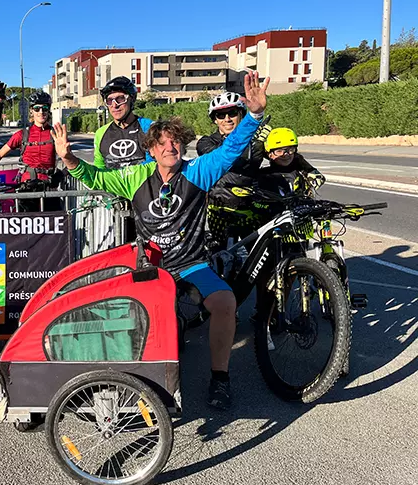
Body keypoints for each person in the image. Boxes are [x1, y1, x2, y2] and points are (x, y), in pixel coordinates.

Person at [52, 72, 270, 410]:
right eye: (163, 144)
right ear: (151, 150)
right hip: (151, 266)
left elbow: (230, 150)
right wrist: (67, 159)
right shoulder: (136, 176)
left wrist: (253, 115)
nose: (171, 148)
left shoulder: (197, 171)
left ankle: (220, 378)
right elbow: (95, 176)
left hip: (192, 263)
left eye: (176, 142)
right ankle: (136, 382)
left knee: (225, 303)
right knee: (134, 313)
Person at [197, 91, 270, 249]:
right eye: (221, 115)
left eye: (232, 113)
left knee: (261, 259)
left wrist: (306, 170)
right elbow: (225, 158)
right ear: (215, 120)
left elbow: (283, 158)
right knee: (220, 259)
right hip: (220, 210)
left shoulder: (257, 139)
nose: (227, 119)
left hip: (251, 209)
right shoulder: (206, 142)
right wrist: (250, 143)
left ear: (241, 114)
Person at [0, 91, 62, 211]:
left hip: (49, 188)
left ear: (49, 110)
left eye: (45, 108)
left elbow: (69, 158)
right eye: (37, 108)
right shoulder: (22, 135)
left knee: (53, 227)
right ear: (31, 111)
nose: (41, 112)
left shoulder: (55, 134)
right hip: (27, 188)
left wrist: (62, 174)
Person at [93, 76, 154, 169]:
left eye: (120, 99)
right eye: (109, 101)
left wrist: (125, 177)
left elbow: (153, 164)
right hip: (113, 184)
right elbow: (99, 169)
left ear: (132, 99)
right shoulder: (100, 133)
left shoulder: (149, 127)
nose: (114, 105)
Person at [258, 127, 325, 194]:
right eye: (279, 151)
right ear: (269, 154)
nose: (286, 154)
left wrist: (302, 163)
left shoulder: (301, 173)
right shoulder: (262, 176)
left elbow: (319, 178)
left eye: (290, 149)